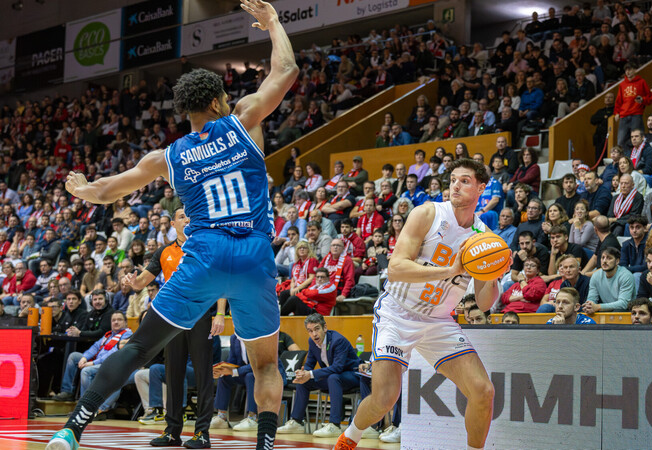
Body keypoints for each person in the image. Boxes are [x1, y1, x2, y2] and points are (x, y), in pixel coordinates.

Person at [46, 4, 298, 450]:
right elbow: (287, 69)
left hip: (203, 258)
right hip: (256, 257)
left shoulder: (167, 158)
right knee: (265, 365)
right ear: (220, 102)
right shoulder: (245, 123)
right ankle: (265, 445)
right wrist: (273, 23)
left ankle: (73, 428)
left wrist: (83, 189)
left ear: (185, 112)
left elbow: (106, 192)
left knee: (139, 348)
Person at [335, 159, 505, 450]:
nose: (455, 185)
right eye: (453, 179)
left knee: (483, 390)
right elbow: (397, 268)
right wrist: (450, 271)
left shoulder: (484, 239)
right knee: (384, 398)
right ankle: (350, 436)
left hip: (438, 321)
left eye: (465, 180)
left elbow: (484, 303)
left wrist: (491, 274)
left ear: (481, 188)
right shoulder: (427, 213)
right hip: (398, 312)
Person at [121, 207, 225, 446]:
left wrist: (219, 314)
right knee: (173, 374)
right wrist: (131, 281)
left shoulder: (205, 247)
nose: (186, 219)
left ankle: (202, 433)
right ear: (173, 225)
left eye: (190, 216)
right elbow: (141, 282)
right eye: (181, 216)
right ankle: (172, 431)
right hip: (172, 317)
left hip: (200, 315)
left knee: (203, 374)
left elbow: (220, 282)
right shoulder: (164, 251)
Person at [279, 314, 361, 438]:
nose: (314, 334)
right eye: (310, 331)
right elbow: (309, 363)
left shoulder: (338, 340)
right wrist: (303, 373)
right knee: (303, 381)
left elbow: (337, 368)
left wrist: (310, 374)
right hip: (333, 379)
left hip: (352, 376)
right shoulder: (312, 342)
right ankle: (297, 421)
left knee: (333, 377)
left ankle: (334, 424)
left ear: (325, 328)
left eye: (317, 329)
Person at [210, 334, 287, 431]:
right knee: (225, 377)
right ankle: (221, 417)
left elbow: (258, 363)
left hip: (269, 374)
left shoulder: (258, 337)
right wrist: (222, 371)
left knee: (251, 376)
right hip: (247, 373)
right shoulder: (234, 338)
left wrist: (234, 372)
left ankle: (252, 418)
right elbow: (232, 361)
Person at [53, 312, 132, 401]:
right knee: (74, 356)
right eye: (113, 320)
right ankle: (67, 391)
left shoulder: (127, 335)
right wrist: (84, 358)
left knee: (86, 371)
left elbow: (113, 353)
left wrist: (93, 363)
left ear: (126, 322)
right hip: (97, 360)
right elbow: (95, 347)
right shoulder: (109, 334)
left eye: (119, 320)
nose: (116, 322)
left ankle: (86, 403)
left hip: (109, 364)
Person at [583, 248, 636, 313]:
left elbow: (624, 304)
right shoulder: (596, 276)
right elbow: (592, 298)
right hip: (607, 309)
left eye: (609, 258)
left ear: (617, 261)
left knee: (617, 311)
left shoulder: (626, 276)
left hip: (626, 311)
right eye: (603, 258)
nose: (604, 261)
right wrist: (589, 305)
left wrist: (598, 307)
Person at [614, 63, 652, 146]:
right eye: (626, 70)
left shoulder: (641, 82)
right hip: (624, 115)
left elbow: (650, 97)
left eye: (630, 69)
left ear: (635, 70)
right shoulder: (622, 84)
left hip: (636, 114)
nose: (628, 72)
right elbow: (618, 100)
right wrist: (616, 112)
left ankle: (637, 158)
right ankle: (622, 159)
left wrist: (643, 100)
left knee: (638, 140)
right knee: (621, 141)